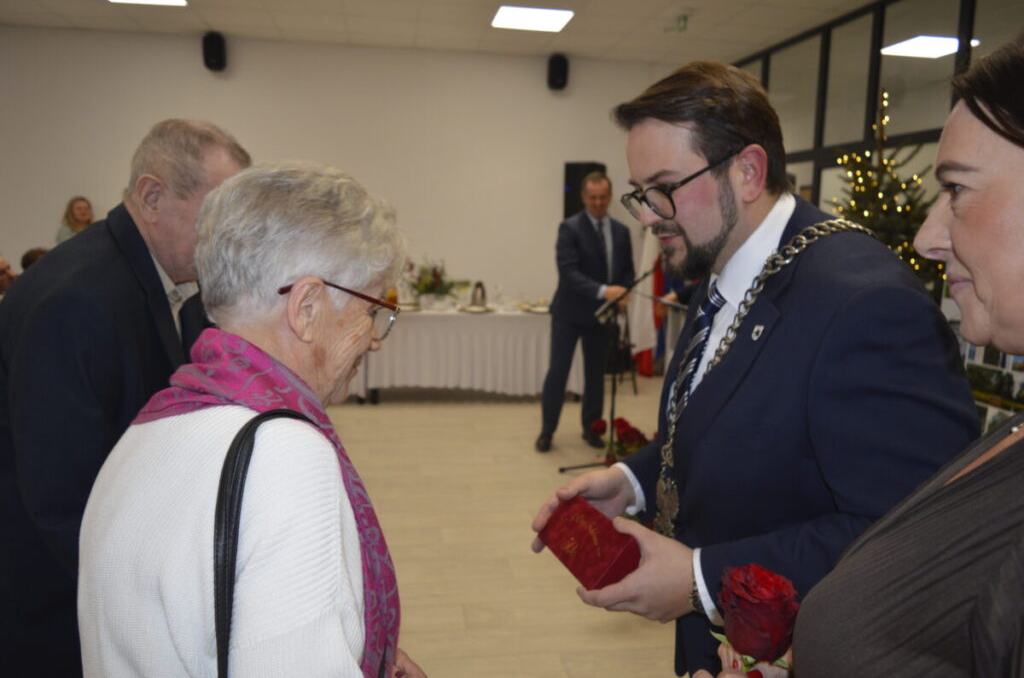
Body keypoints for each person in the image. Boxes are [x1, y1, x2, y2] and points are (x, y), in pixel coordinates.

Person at [531, 60, 980, 676]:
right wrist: (632, 480)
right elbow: (728, 419)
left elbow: (909, 535)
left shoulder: (866, 304)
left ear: (746, 172)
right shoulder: (723, 259)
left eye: (663, 187)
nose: (647, 215)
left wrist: (697, 578)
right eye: (640, 193)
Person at [78, 161, 426, 678]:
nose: (374, 337)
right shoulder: (283, 453)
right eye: (370, 308)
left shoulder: (155, 422)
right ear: (306, 307)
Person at [0, 119, 249, 677]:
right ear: (151, 196)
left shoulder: (156, 281)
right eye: (215, 216)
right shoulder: (77, 301)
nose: (224, 238)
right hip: (55, 604)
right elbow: (64, 502)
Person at [536, 171, 636, 452]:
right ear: (583, 197)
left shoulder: (621, 231)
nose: (598, 202)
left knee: (595, 376)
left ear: (610, 196)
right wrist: (607, 291)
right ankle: (547, 431)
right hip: (568, 315)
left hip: (601, 317)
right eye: (592, 197)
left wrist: (625, 289)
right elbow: (569, 273)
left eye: (603, 197)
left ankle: (592, 429)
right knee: (558, 372)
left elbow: (627, 271)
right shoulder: (569, 228)